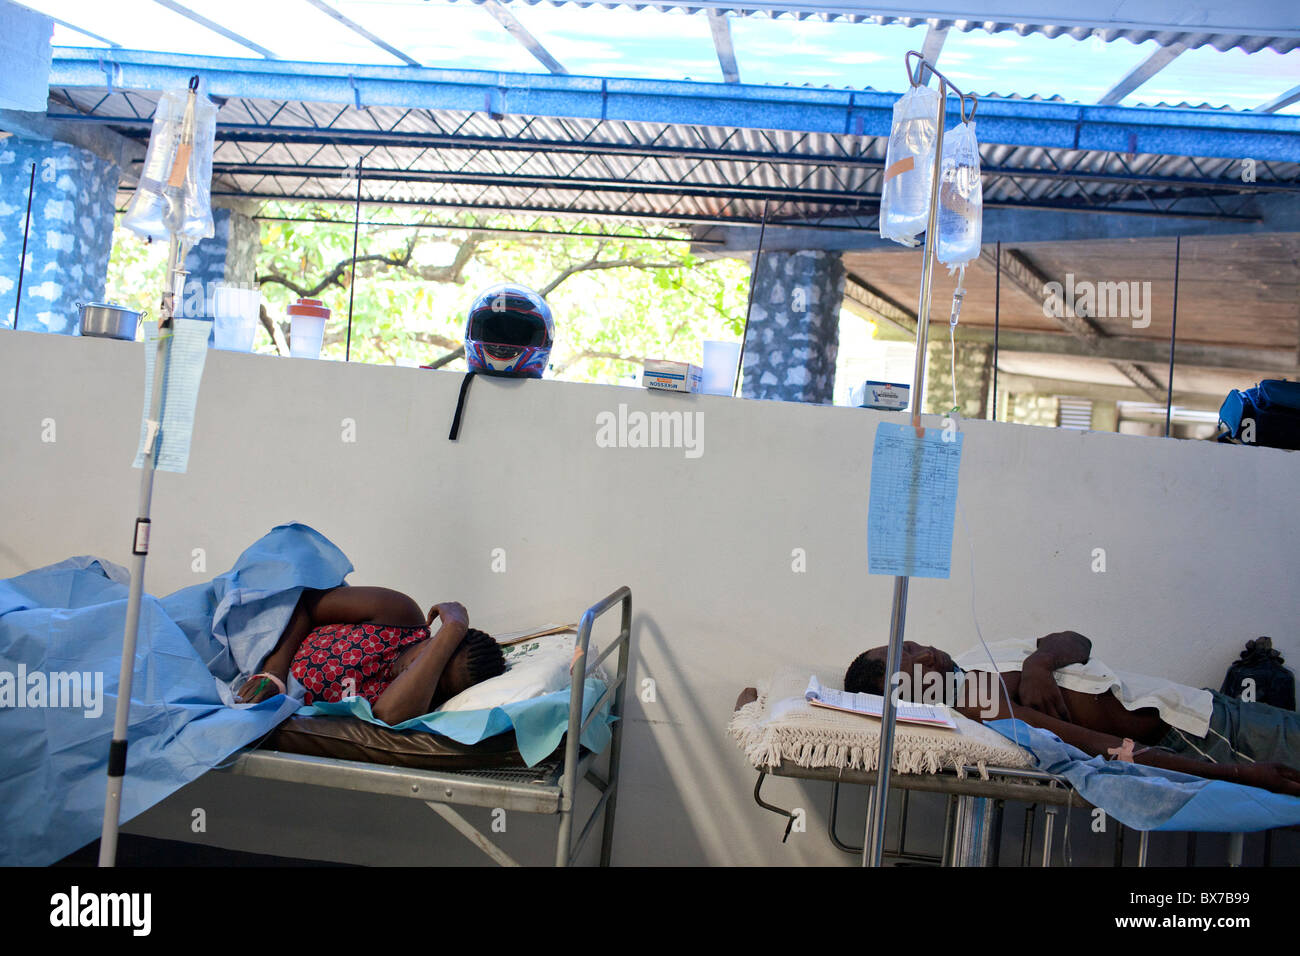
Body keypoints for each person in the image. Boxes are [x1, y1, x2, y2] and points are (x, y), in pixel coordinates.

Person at [842, 632, 1300, 797]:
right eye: (906, 652)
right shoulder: (973, 701)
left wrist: (1039, 662)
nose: (922, 646)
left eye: (910, 639)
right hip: (1210, 737)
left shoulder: (976, 654)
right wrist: (1241, 776)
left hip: (1201, 706)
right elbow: (1107, 749)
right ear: (901, 690)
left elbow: (1076, 640)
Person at [235, 586, 505, 725]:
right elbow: (304, 605)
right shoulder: (399, 614)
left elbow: (387, 715)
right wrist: (272, 675)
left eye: (437, 676)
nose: (423, 668)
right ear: (432, 638)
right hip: (265, 646)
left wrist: (452, 630)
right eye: (433, 654)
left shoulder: (409, 700)